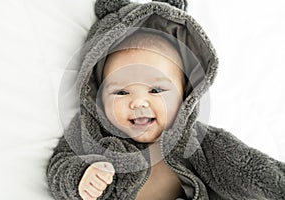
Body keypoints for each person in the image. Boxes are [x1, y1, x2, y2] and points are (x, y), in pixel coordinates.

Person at [46, 0, 285, 200]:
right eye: (121, 92)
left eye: (156, 90)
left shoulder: (199, 143)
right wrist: (81, 178)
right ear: (96, 95)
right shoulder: (90, 135)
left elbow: (251, 170)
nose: (139, 102)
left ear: (185, 94)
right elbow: (59, 167)